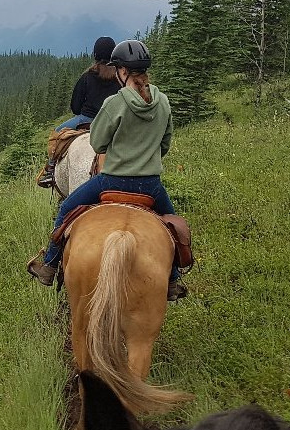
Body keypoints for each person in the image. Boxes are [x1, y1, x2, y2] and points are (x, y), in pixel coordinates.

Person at [26, 39, 188, 300]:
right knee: (173, 225)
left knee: (67, 209)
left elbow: (98, 142)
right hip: (150, 185)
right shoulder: (164, 102)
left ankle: (49, 265)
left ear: (122, 72)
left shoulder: (116, 103)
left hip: (111, 181)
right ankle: (172, 279)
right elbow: (164, 144)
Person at [36, 37, 123, 188]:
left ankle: (50, 170)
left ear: (95, 54)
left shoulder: (87, 77)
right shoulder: (120, 78)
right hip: (112, 122)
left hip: (86, 119)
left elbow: (75, 107)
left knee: (57, 133)